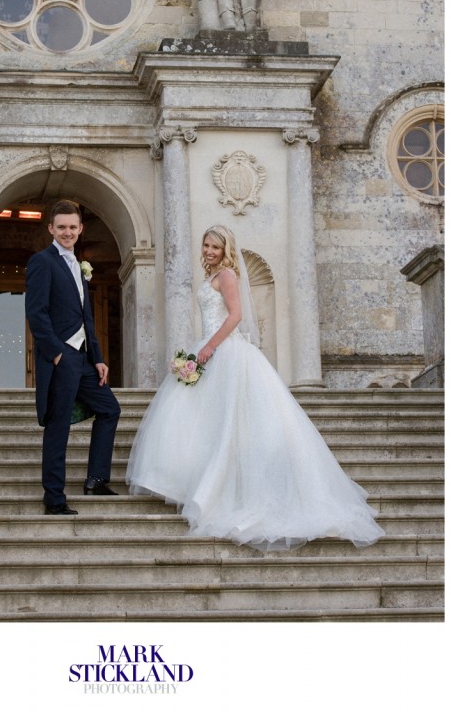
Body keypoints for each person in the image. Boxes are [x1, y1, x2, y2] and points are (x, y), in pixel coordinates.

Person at [126, 225, 385, 551]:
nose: (208, 251)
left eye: (215, 247)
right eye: (206, 245)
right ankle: (199, 483)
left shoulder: (228, 276)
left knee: (231, 421)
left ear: (226, 250)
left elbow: (235, 316)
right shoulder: (211, 277)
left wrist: (209, 348)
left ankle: (224, 489)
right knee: (199, 418)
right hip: (208, 347)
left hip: (225, 350)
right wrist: (197, 350)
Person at [25, 200, 121, 515]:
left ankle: (96, 479)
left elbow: (86, 318)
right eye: (62, 227)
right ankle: (54, 498)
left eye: (73, 227)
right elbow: (36, 314)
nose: (68, 232)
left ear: (80, 229)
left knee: (109, 409)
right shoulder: (42, 262)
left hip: (83, 359)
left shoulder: (79, 267)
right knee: (58, 427)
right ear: (51, 229)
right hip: (61, 358)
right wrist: (55, 355)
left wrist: (98, 357)